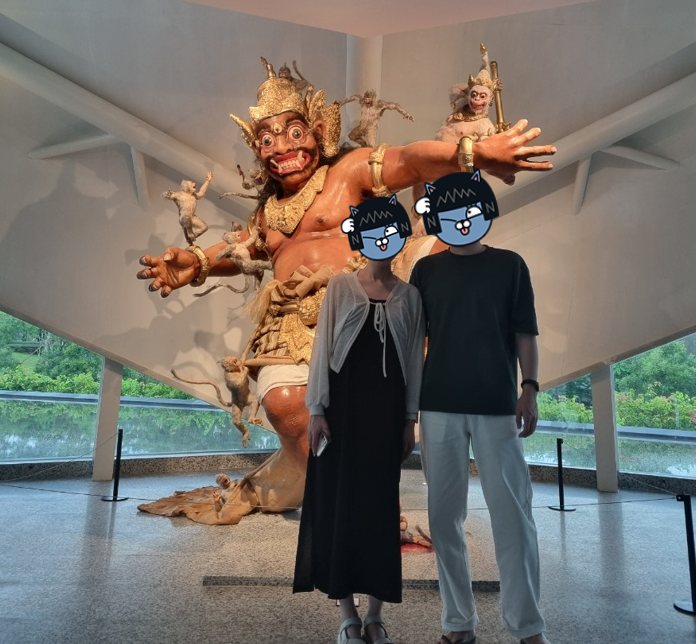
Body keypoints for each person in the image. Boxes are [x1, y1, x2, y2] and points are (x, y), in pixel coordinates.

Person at [137, 58, 555, 523]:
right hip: (290, 321)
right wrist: (195, 264)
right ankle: (344, 500)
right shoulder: (266, 213)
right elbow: (239, 250)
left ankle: (379, 492)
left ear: (318, 132)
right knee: (285, 406)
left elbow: (409, 160)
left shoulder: (348, 173)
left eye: (294, 133)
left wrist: (472, 153)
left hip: (364, 304)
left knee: (437, 258)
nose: (282, 148)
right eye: (267, 140)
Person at [411, 172, 551, 644]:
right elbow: (415, 341)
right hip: (438, 406)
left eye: (468, 212)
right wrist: (408, 407)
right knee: (442, 519)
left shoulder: (510, 265)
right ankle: (457, 622)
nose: (460, 222)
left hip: (496, 404)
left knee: (513, 516)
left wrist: (529, 387)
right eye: (448, 215)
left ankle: (527, 626)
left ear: (485, 211)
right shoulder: (426, 271)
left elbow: (525, 333)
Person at [293, 196, 426, 644]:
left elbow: (413, 361)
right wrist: (316, 410)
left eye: (389, 232)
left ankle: (375, 615)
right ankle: (347, 614)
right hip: (341, 414)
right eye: (372, 233)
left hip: (386, 416)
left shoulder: (411, 297)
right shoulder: (339, 287)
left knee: (379, 510)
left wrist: (409, 419)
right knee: (341, 508)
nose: (381, 240)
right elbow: (322, 351)